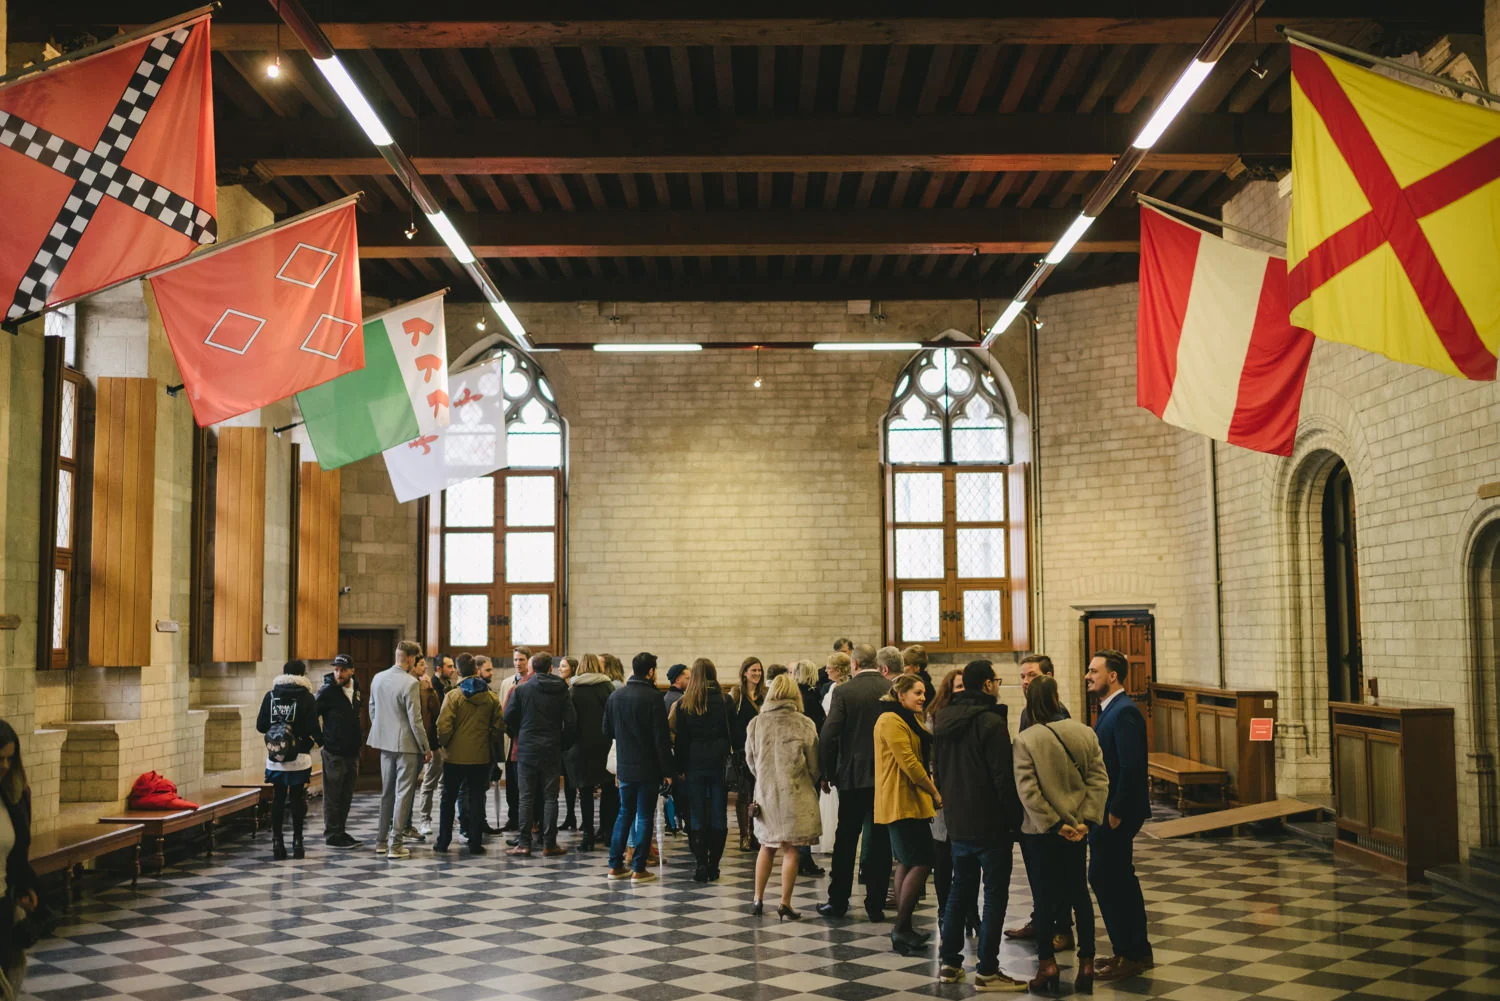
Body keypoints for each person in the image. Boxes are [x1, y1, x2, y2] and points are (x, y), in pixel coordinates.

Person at [933, 661, 1029, 990]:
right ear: (987, 685)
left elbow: (940, 773)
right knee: (993, 896)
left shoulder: (943, 720)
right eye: (997, 681)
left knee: (959, 891)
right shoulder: (991, 721)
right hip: (990, 823)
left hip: (958, 820)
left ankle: (949, 963)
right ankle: (988, 970)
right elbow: (1002, 778)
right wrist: (1014, 820)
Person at [1014, 674, 1109, 994]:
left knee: (1044, 898)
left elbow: (1028, 791)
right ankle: (1086, 964)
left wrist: (1055, 824)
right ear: (1057, 699)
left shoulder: (1026, 740)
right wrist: (1086, 821)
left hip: (1042, 832)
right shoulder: (1085, 732)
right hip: (1078, 830)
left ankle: (1047, 965)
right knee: (1079, 894)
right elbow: (1099, 780)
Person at [1086, 649, 1153, 981]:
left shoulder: (1124, 712)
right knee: (1116, 878)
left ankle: (1131, 952)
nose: (1088, 675)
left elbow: (1131, 766)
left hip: (1116, 812)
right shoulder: (1111, 710)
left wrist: (1117, 811)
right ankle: (1131, 950)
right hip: (1108, 810)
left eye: (1094, 670)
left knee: (1107, 877)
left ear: (1112, 676)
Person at [817, 644, 894, 922]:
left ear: (854, 664)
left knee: (846, 840)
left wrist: (826, 772)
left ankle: (837, 902)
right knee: (880, 841)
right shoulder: (889, 688)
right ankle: (875, 904)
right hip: (885, 776)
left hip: (852, 776)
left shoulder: (844, 691)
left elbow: (828, 735)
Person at [1008, 653, 1074, 948]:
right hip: (1032, 811)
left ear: (1048, 677)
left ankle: (1062, 929)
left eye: (1031, 675)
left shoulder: (1058, 714)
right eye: (1022, 676)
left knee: (1057, 874)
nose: (1025, 681)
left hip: (1054, 811)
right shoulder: (1027, 713)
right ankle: (1041, 920)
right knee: (1038, 873)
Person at [874, 673, 941, 954]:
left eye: (924, 692)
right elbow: (910, 764)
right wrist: (935, 792)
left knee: (906, 861)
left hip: (908, 800)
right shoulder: (889, 720)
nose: (923, 697)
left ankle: (904, 926)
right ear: (900, 695)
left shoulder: (906, 718)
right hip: (900, 800)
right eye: (917, 692)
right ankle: (901, 927)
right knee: (923, 860)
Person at [745, 674, 821, 920]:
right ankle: (785, 903)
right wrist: (811, 778)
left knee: (766, 846)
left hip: (765, 794)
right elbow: (814, 763)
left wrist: (764, 777)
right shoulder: (804, 723)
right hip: (795, 794)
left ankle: (757, 898)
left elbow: (750, 760)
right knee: (790, 849)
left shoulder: (756, 723)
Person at [603, 652, 674, 881]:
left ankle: (615, 865)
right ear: (651, 671)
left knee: (624, 814)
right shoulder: (653, 697)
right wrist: (667, 771)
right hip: (648, 768)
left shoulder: (616, 696)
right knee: (644, 816)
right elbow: (661, 740)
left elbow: (607, 731)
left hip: (625, 766)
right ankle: (639, 868)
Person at [505, 653, 578, 857]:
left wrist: (520, 732)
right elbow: (571, 721)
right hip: (552, 748)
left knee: (526, 797)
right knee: (550, 798)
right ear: (550, 668)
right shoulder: (561, 689)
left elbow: (508, 717)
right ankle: (549, 844)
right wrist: (564, 743)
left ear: (532, 668)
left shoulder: (522, 689)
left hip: (527, 749)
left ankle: (524, 843)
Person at [367, 640, 432, 859]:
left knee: (387, 793)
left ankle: (380, 841)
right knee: (403, 794)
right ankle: (396, 845)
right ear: (412, 658)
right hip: (407, 745)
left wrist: (383, 731)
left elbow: (372, 709)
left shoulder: (378, 678)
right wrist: (425, 747)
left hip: (385, 743)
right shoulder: (410, 683)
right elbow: (416, 720)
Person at [926, 670, 977, 945]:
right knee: (943, 858)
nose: (961, 691)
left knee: (967, 860)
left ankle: (972, 911)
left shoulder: (973, 717)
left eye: (964, 686)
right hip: (941, 795)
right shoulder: (934, 719)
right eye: (957, 686)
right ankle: (944, 911)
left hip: (966, 796)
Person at [670, 658, 733, 881]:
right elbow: (732, 733)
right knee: (718, 813)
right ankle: (714, 864)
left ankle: (700, 864)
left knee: (695, 813)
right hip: (719, 763)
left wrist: (679, 767)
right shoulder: (726, 700)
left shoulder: (685, 703)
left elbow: (681, 741)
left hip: (693, 763)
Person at [435, 653, 504, 854]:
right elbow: (499, 725)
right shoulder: (490, 696)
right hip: (481, 757)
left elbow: (443, 726)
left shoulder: (453, 696)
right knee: (476, 798)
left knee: (448, 799)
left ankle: (443, 842)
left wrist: (445, 745)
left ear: (458, 671)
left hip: (454, 757)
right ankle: (475, 842)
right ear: (476, 671)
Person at [256, 660, 324, 861]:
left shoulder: (271, 696)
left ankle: (277, 843)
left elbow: (261, 726)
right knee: (297, 798)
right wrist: (320, 743)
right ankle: (298, 842)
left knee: (277, 798)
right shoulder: (307, 697)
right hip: (300, 755)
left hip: (276, 755)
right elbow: (314, 727)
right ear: (303, 675)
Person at [0, 722, 39, 1001]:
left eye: (9, 758)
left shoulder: (14, 794)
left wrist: (25, 886)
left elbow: (19, 847)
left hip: (2, 900)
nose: (4, 765)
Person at [315, 654, 363, 850]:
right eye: (336, 669)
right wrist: (321, 742)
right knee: (333, 796)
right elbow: (311, 716)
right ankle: (332, 834)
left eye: (343, 669)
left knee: (346, 794)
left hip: (352, 750)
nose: (339, 673)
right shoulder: (327, 692)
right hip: (334, 751)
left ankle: (340, 830)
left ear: (352, 670)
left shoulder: (355, 689)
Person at [569, 654, 617, 852]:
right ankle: (607, 832)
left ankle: (587, 835)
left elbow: (569, 720)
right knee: (609, 790)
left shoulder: (573, 690)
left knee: (585, 791)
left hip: (580, 747)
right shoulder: (607, 687)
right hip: (604, 745)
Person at [791, 660, 826, 877]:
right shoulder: (813, 699)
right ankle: (804, 857)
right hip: (809, 761)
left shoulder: (794, 698)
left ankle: (799, 856)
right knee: (808, 809)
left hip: (793, 762)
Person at [815, 652, 850, 855]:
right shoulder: (830, 688)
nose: (826, 670)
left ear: (838, 669)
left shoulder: (841, 689)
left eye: (829, 667)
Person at [729, 657, 765, 851]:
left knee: (759, 794)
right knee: (743, 795)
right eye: (753, 670)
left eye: (759, 670)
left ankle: (757, 835)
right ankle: (745, 835)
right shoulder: (736, 694)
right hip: (742, 751)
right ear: (744, 672)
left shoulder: (765, 695)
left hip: (761, 750)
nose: (757, 674)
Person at [497, 646, 533, 831]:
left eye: (522, 660)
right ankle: (513, 817)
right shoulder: (507, 683)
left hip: (525, 739)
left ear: (529, 661)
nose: (518, 663)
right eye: (516, 660)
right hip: (510, 740)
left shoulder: (532, 682)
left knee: (524, 785)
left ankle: (527, 821)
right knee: (511, 783)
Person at [414, 660, 443, 840]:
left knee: (438, 781)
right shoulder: (416, 685)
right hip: (419, 741)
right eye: (422, 664)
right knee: (428, 783)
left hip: (434, 741)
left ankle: (429, 818)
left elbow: (436, 712)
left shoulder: (429, 685)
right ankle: (423, 819)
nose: (425, 667)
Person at [662, 663, 690, 835]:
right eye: (688, 677)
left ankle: (673, 822)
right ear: (678, 679)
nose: (691, 680)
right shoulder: (677, 701)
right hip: (677, 753)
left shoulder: (666, 697)